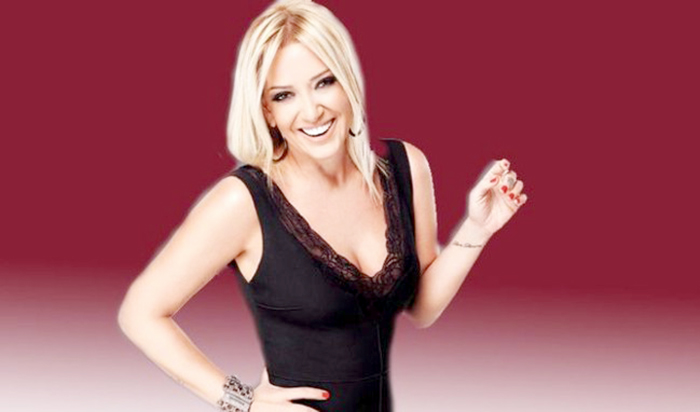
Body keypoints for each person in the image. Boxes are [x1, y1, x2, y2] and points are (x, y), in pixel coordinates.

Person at [117, 0, 529, 411]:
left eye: (324, 82)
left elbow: (421, 308)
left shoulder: (406, 167)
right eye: (284, 95)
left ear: (347, 80)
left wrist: (477, 228)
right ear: (267, 112)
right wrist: (242, 402)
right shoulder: (244, 201)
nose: (312, 111)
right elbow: (140, 313)